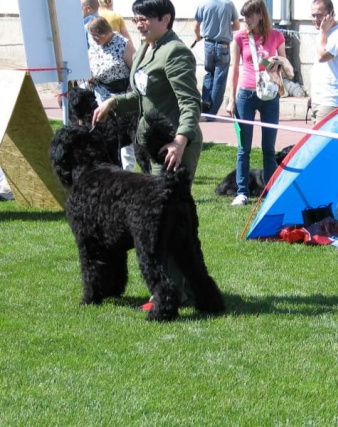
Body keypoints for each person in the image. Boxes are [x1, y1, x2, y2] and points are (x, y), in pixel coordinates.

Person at [92, 0, 203, 305]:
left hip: (173, 148)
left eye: (145, 19)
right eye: (136, 18)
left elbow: (190, 103)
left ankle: (171, 293)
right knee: (167, 221)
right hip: (152, 147)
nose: (139, 24)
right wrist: (114, 102)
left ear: (166, 18)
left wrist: (180, 141)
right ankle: (188, 288)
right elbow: (142, 95)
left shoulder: (176, 52)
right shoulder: (144, 48)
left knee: (165, 224)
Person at [225, 0, 293, 206]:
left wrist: (279, 62)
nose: (246, 20)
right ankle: (242, 191)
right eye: (243, 16)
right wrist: (230, 99)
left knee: (269, 148)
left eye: (249, 16)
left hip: (270, 96)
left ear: (260, 15)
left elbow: (289, 70)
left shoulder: (277, 36)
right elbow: (233, 68)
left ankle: (270, 190)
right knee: (243, 147)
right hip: (245, 94)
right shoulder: (239, 37)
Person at [87, 16, 136, 171]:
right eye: (92, 36)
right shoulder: (94, 45)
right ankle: (110, 169)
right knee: (106, 135)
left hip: (122, 95)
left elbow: (135, 71)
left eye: (97, 36)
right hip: (101, 93)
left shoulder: (123, 44)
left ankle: (127, 171)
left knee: (125, 138)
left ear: (106, 32)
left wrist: (130, 91)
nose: (94, 40)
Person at [309, 0, 338, 123]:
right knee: (314, 140)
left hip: (332, 100)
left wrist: (323, 32)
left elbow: (323, 56)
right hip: (318, 99)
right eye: (313, 15)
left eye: (319, 15)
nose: (316, 19)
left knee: (320, 141)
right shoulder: (322, 34)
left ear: (331, 14)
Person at [194, 0, 240, 118]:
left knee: (209, 73)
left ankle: (205, 102)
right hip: (223, 45)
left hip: (208, 44)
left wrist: (198, 36)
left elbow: (196, 27)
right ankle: (212, 113)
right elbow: (237, 26)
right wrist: (225, 27)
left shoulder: (203, 4)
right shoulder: (228, 5)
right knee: (220, 79)